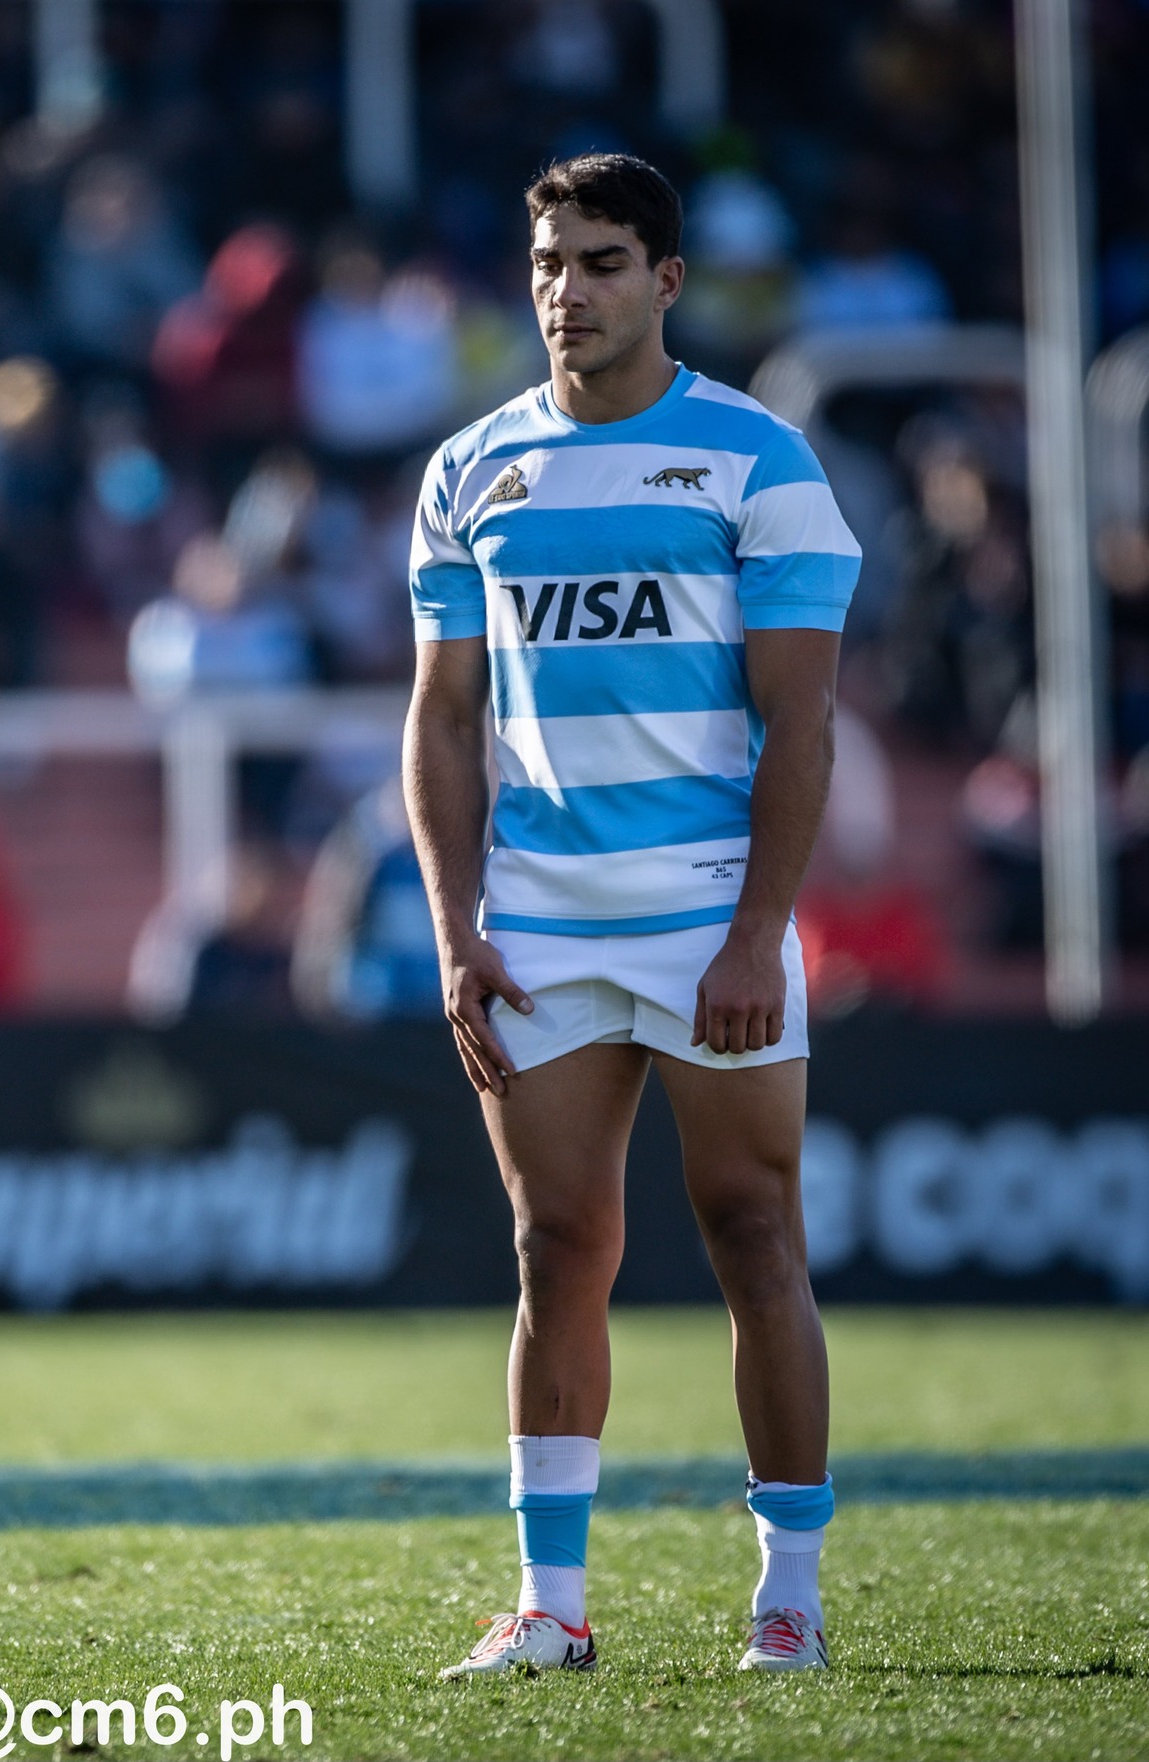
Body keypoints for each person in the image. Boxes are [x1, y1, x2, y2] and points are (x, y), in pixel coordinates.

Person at [402, 158, 858, 1677]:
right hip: (536, 922)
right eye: (548, 262)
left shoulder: (758, 460)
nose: (566, 290)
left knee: (753, 1232)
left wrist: (755, 931)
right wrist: (456, 928)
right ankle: (551, 1606)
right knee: (554, 1245)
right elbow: (441, 721)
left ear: (666, 280)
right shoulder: (470, 469)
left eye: (601, 262)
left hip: (706, 912)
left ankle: (788, 1595)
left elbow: (800, 723)